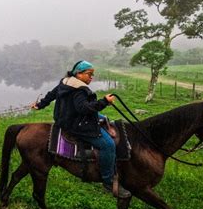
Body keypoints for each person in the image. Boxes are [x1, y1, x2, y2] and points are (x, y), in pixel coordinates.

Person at [32, 60, 131, 198]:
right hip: (76, 123)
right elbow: (83, 109)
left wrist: (40, 105)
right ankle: (108, 181)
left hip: (66, 118)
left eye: (93, 74)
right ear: (78, 74)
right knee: (108, 145)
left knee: (104, 118)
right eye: (89, 74)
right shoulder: (80, 89)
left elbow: (51, 94)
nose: (92, 77)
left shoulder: (66, 82)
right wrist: (104, 102)